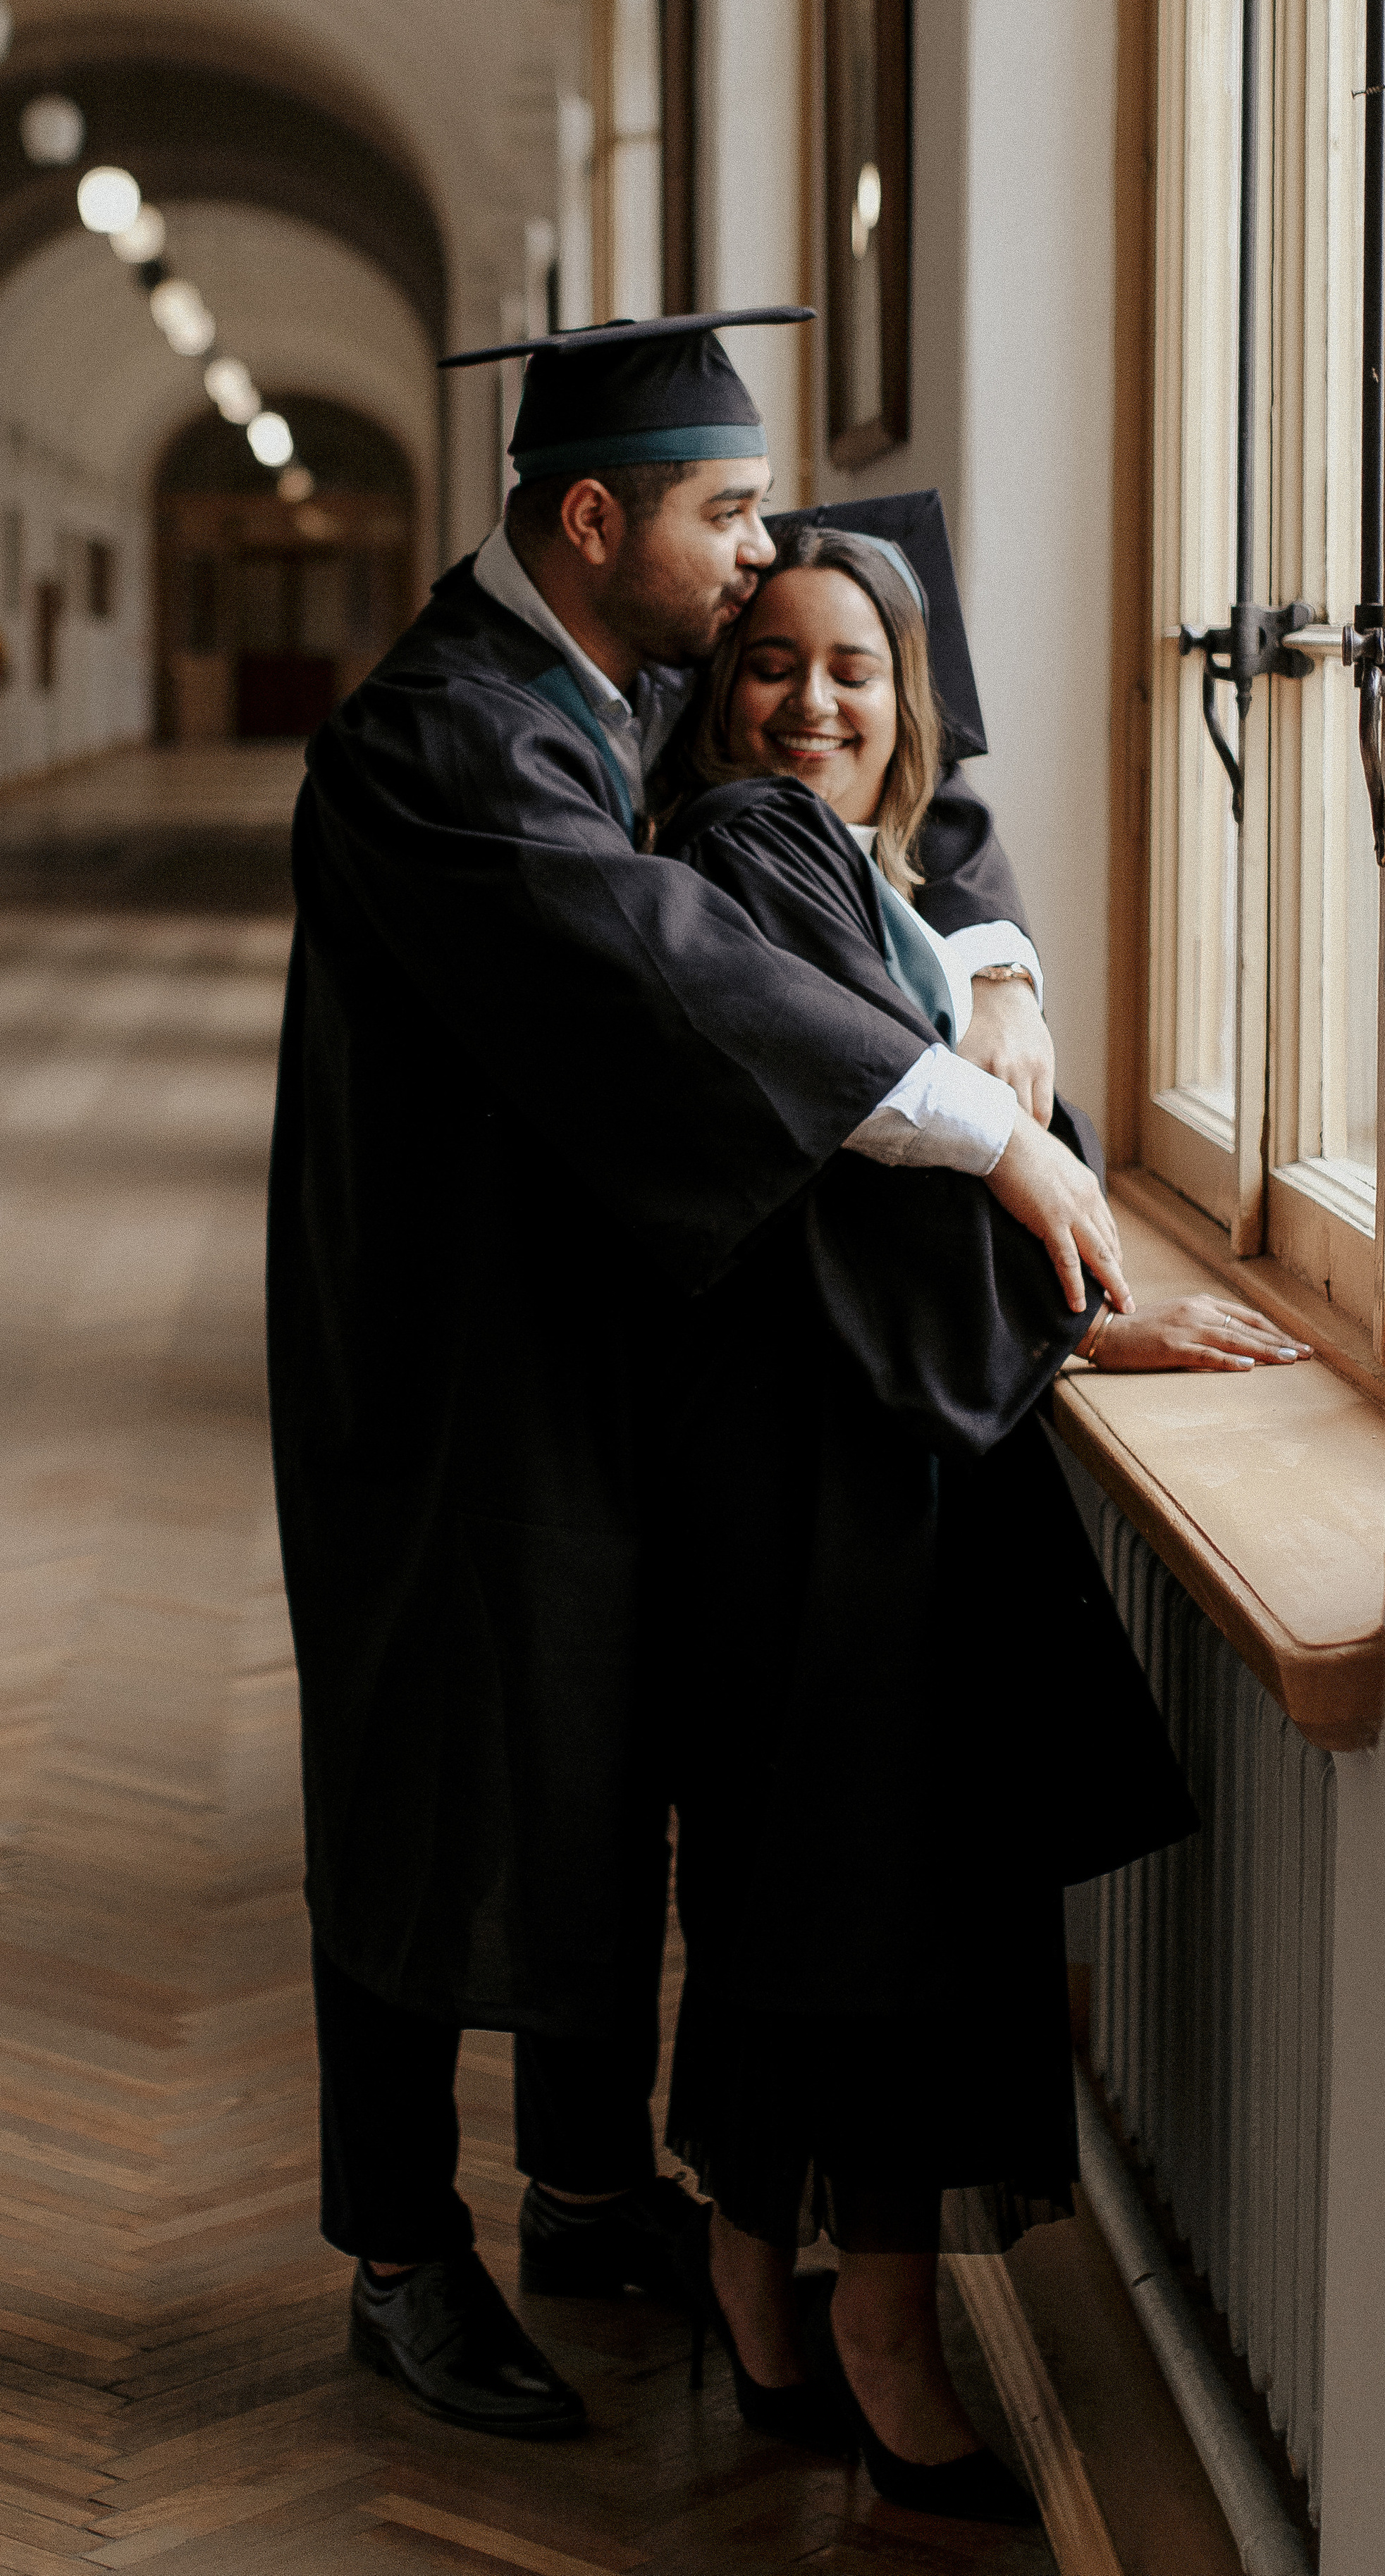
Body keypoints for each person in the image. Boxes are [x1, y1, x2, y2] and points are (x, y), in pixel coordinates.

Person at [266, 311, 1131, 2441]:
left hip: (629, 1327)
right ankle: (400, 2247)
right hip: (447, 1358)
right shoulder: (444, 734)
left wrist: (1001, 967)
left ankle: (580, 2189)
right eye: (729, 518)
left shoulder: (633, 671)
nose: (764, 564)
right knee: (435, 1780)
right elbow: (674, 981)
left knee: (606, 1757)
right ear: (592, 521)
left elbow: (925, 722)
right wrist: (997, 1131)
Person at [644, 523, 1304, 2523]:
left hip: (842, 1468)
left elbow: (970, 1131)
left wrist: (1076, 1281)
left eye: (857, 665)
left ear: (912, 698)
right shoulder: (746, 861)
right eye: (771, 659)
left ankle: (763, 2292)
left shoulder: (886, 873)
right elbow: (889, 1181)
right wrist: (1069, 1271)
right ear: (714, 686)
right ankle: (881, 2341)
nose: (813, 698)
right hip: (842, 1492)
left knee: (789, 1903)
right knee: (890, 1923)